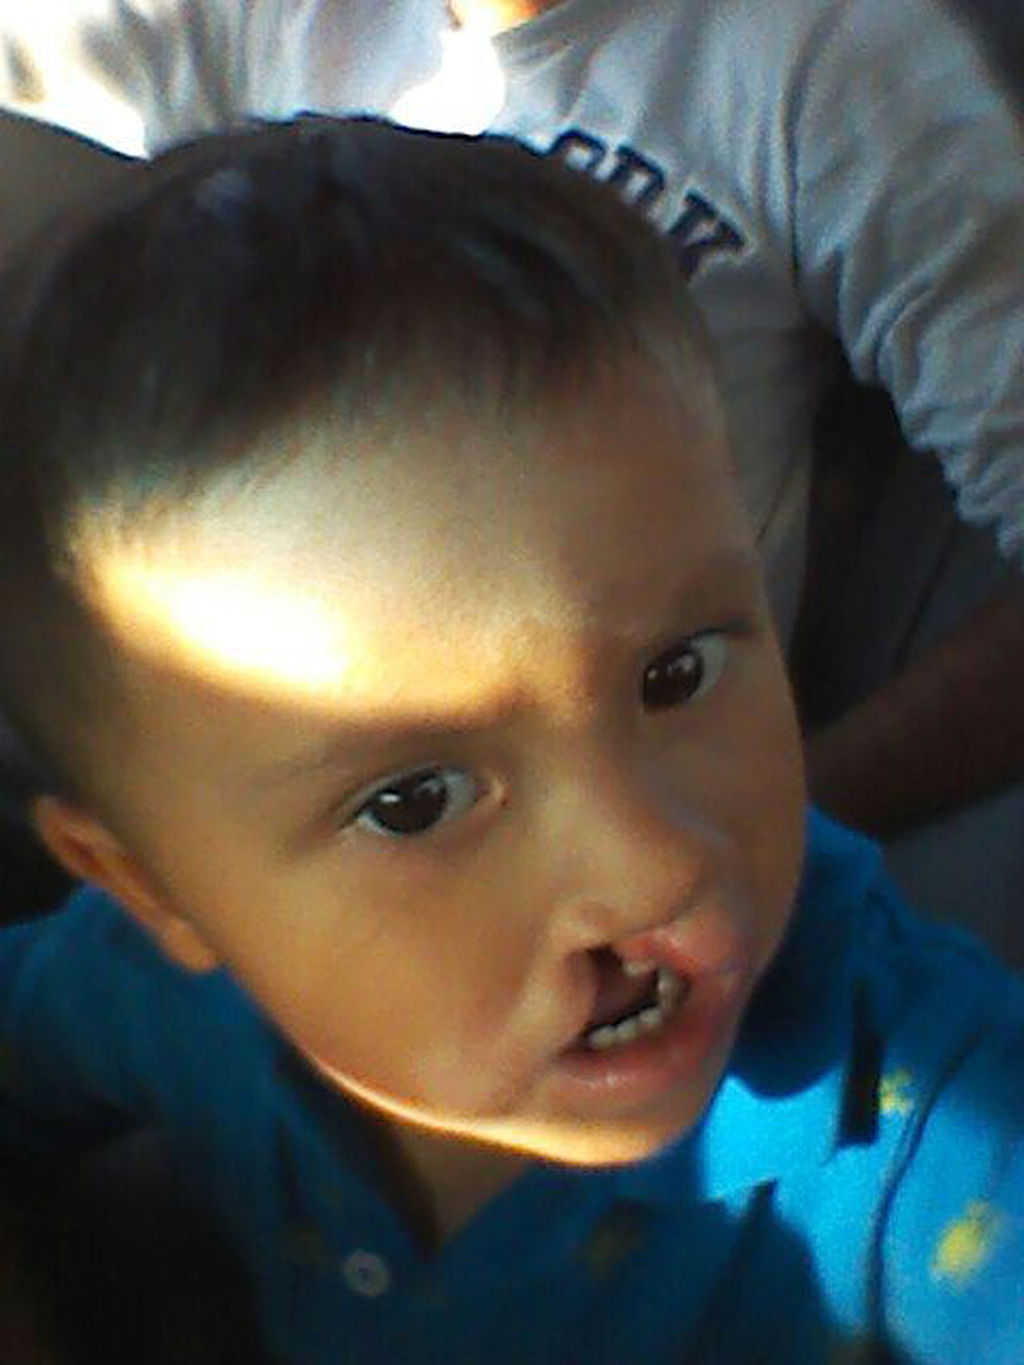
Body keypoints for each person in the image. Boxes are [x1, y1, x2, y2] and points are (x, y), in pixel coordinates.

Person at [0, 115, 1022, 1364]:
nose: (657, 868)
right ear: (155, 888)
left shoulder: (933, 1134)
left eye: (676, 673)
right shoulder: (147, 995)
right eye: (414, 800)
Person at [0, 0, 1022, 949]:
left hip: (565, 877)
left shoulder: (827, 58)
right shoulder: (258, 19)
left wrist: (772, 824)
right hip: (234, 838)